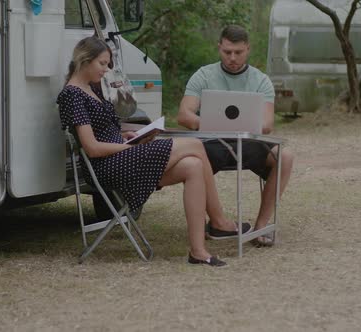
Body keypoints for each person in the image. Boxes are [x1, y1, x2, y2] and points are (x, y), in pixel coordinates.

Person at [58, 36, 248, 267]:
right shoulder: (72, 94)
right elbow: (92, 148)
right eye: (102, 63)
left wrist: (129, 135)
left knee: (194, 166)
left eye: (108, 64)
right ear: (84, 60)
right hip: (107, 166)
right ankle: (219, 222)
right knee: (196, 145)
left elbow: (105, 130)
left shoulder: (91, 88)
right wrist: (127, 146)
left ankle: (198, 251)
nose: (107, 69)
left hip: (120, 155)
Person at [177, 25, 294, 246]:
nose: (232, 58)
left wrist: (241, 127)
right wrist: (212, 124)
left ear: (248, 49)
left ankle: (260, 228)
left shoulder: (260, 80)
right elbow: (184, 115)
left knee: (285, 155)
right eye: (227, 52)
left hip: (248, 143)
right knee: (192, 160)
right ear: (219, 47)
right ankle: (214, 223)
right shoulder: (203, 75)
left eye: (238, 52)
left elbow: (267, 125)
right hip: (210, 144)